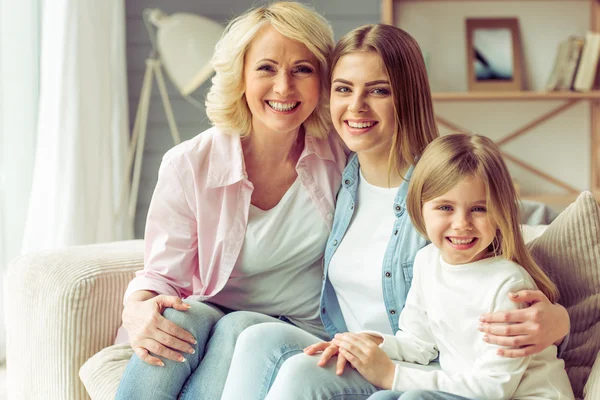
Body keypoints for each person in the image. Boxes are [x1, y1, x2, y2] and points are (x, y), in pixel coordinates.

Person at [220, 24, 571, 400]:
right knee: (256, 335)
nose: (356, 107)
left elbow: (515, 237)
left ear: (408, 97)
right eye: (343, 89)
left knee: (306, 375)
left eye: (379, 90)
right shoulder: (338, 171)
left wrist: (560, 321)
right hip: (370, 349)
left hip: (425, 371)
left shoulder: (442, 187)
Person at [111, 2, 347, 399]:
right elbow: (163, 274)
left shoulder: (342, 155)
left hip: (304, 329)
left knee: (242, 328)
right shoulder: (190, 163)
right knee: (182, 317)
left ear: (322, 79)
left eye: (302, 69)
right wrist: (135, 307)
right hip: (218, 316)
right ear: (240, 76)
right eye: (266, 68)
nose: (284, 87)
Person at [332, 133, 575, 400]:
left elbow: (494, 388)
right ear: (419, 208)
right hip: (467, 391)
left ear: (500, 212)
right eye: (445, 207)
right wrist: (366, 343)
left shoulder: (508, 285)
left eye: (479, 209)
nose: (461, 223)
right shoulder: (426, 262)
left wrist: (392, 375)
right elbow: (418, 345)